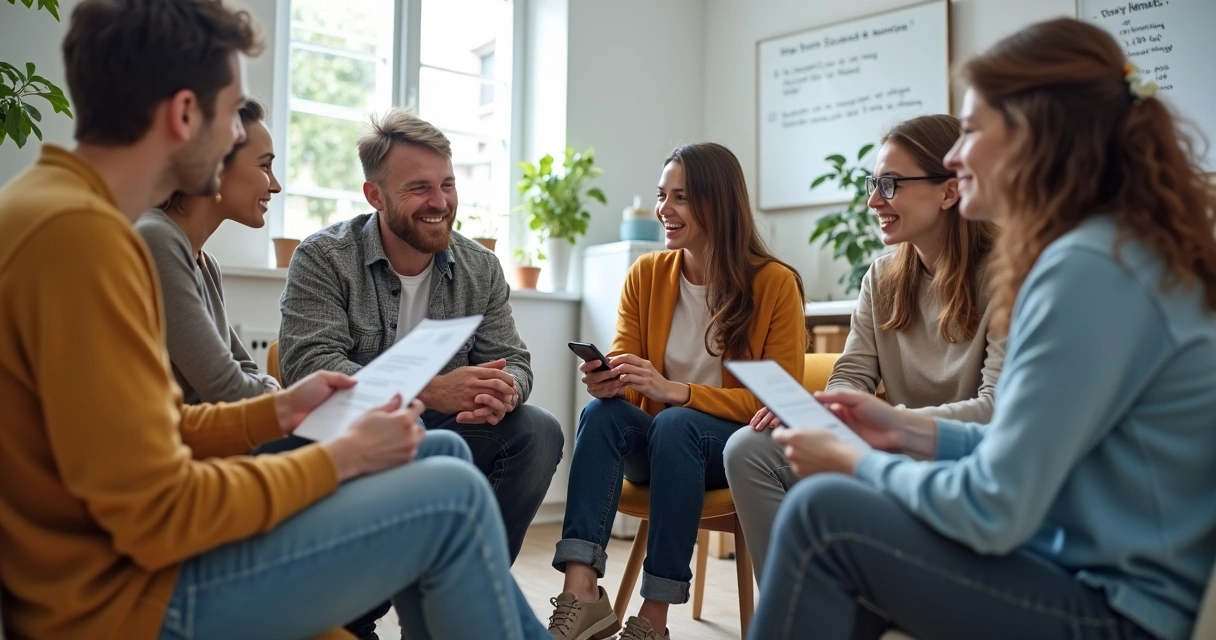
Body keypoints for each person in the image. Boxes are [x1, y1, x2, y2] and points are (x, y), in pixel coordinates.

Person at [0, 2, 548, 639]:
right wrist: (337, 458)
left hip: (132, 567)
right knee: (450, 491)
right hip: (124, 600)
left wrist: (279, 411)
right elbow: (158, 510)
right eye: (235, 112)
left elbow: (148, 435)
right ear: (184, 114)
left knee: (446, 455)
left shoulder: (50, 206)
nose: (244, 136)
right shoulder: (85, 238)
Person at [751, 17, 1216, 640]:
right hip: (1083, 570)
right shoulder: (1110, 251)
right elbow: (1019, 458)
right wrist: (903, 428)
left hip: (1117, 609)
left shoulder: (1087, 270)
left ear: (1035, 136)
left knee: (824, 514)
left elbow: (997, 506)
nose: (954, 157)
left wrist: (856, 462)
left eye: (970, 130)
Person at [277, 108, 564, 565]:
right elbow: (309, 365)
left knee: (538, 430)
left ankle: (467, 593)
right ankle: (357, 619)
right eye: (419, 188)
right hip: (349, 435)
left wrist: (502, 391)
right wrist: (433, 390)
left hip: (443, 434)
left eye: (447, 184)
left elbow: (513, 360)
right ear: (375, 195)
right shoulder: (324, 257)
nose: (440, 202)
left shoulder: (480, 268)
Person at [545, 143, 807, 640]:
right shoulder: (645, 275)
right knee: (601, 417)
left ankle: (655, 617)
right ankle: (582, 593)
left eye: (681, 197)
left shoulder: (773, 284)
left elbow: (778, 400)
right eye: (662, 195)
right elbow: (628, 378)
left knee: (676, 421)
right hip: (662, 441)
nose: (664, 209)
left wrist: (678, 392)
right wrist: (609, 382)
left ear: (719, 203)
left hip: (730, 448)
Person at [724, 114, 1005, 575]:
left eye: (890, 184)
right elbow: (853, 375)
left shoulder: (1006, 276)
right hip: (888, 440)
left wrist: (892, 423)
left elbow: (996, 409)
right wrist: (816, 410)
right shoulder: (882, 277)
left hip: (962, 454)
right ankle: (797, 611)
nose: (874, 200)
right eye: (873, 183)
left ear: (949, 191)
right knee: (748, 449)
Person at [136, 98, 281, 405]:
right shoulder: (156, 240)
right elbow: (226, 387)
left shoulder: (205, 262)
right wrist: (276, 395)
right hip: (172, 442)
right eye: (265, 166)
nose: (276, 185)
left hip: (211, 432)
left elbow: (244, 369)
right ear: (215, 167)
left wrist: (266, 390)